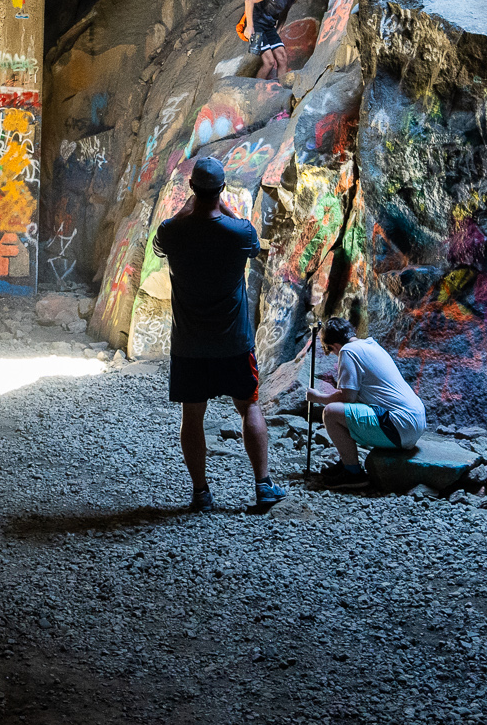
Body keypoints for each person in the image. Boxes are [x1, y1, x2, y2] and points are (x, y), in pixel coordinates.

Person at [154, 155, 286, 511]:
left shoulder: (173, 231)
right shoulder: (239, 233)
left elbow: (160, 240)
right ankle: (263, 486)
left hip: (190, 345)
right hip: (233, 342)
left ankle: (200, 493)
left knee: (192, 417)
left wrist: (187, 208)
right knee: (249, 407)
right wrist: (222, 207)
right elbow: (253, 242)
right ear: (221, 191)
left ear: (192, 190)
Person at [307, 317, 429, 486]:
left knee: (331, 413)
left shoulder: (348, 351)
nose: (335, 355)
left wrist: (318, 397)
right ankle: (346, 462)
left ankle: (353, 473)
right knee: (347, 411)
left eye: (332, 351)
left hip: (400, 425)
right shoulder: (370, 345)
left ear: (334, 345)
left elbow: (347, 397)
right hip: (414, 420)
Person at [243, 0, 303, 79]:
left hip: (269, 27)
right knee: (269, 62)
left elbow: (284, 13)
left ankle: (281, 91)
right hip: (256, 25)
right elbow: (249, 1)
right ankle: (256, 91)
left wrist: (278, 31)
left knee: (282, 58)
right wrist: (249, 26)